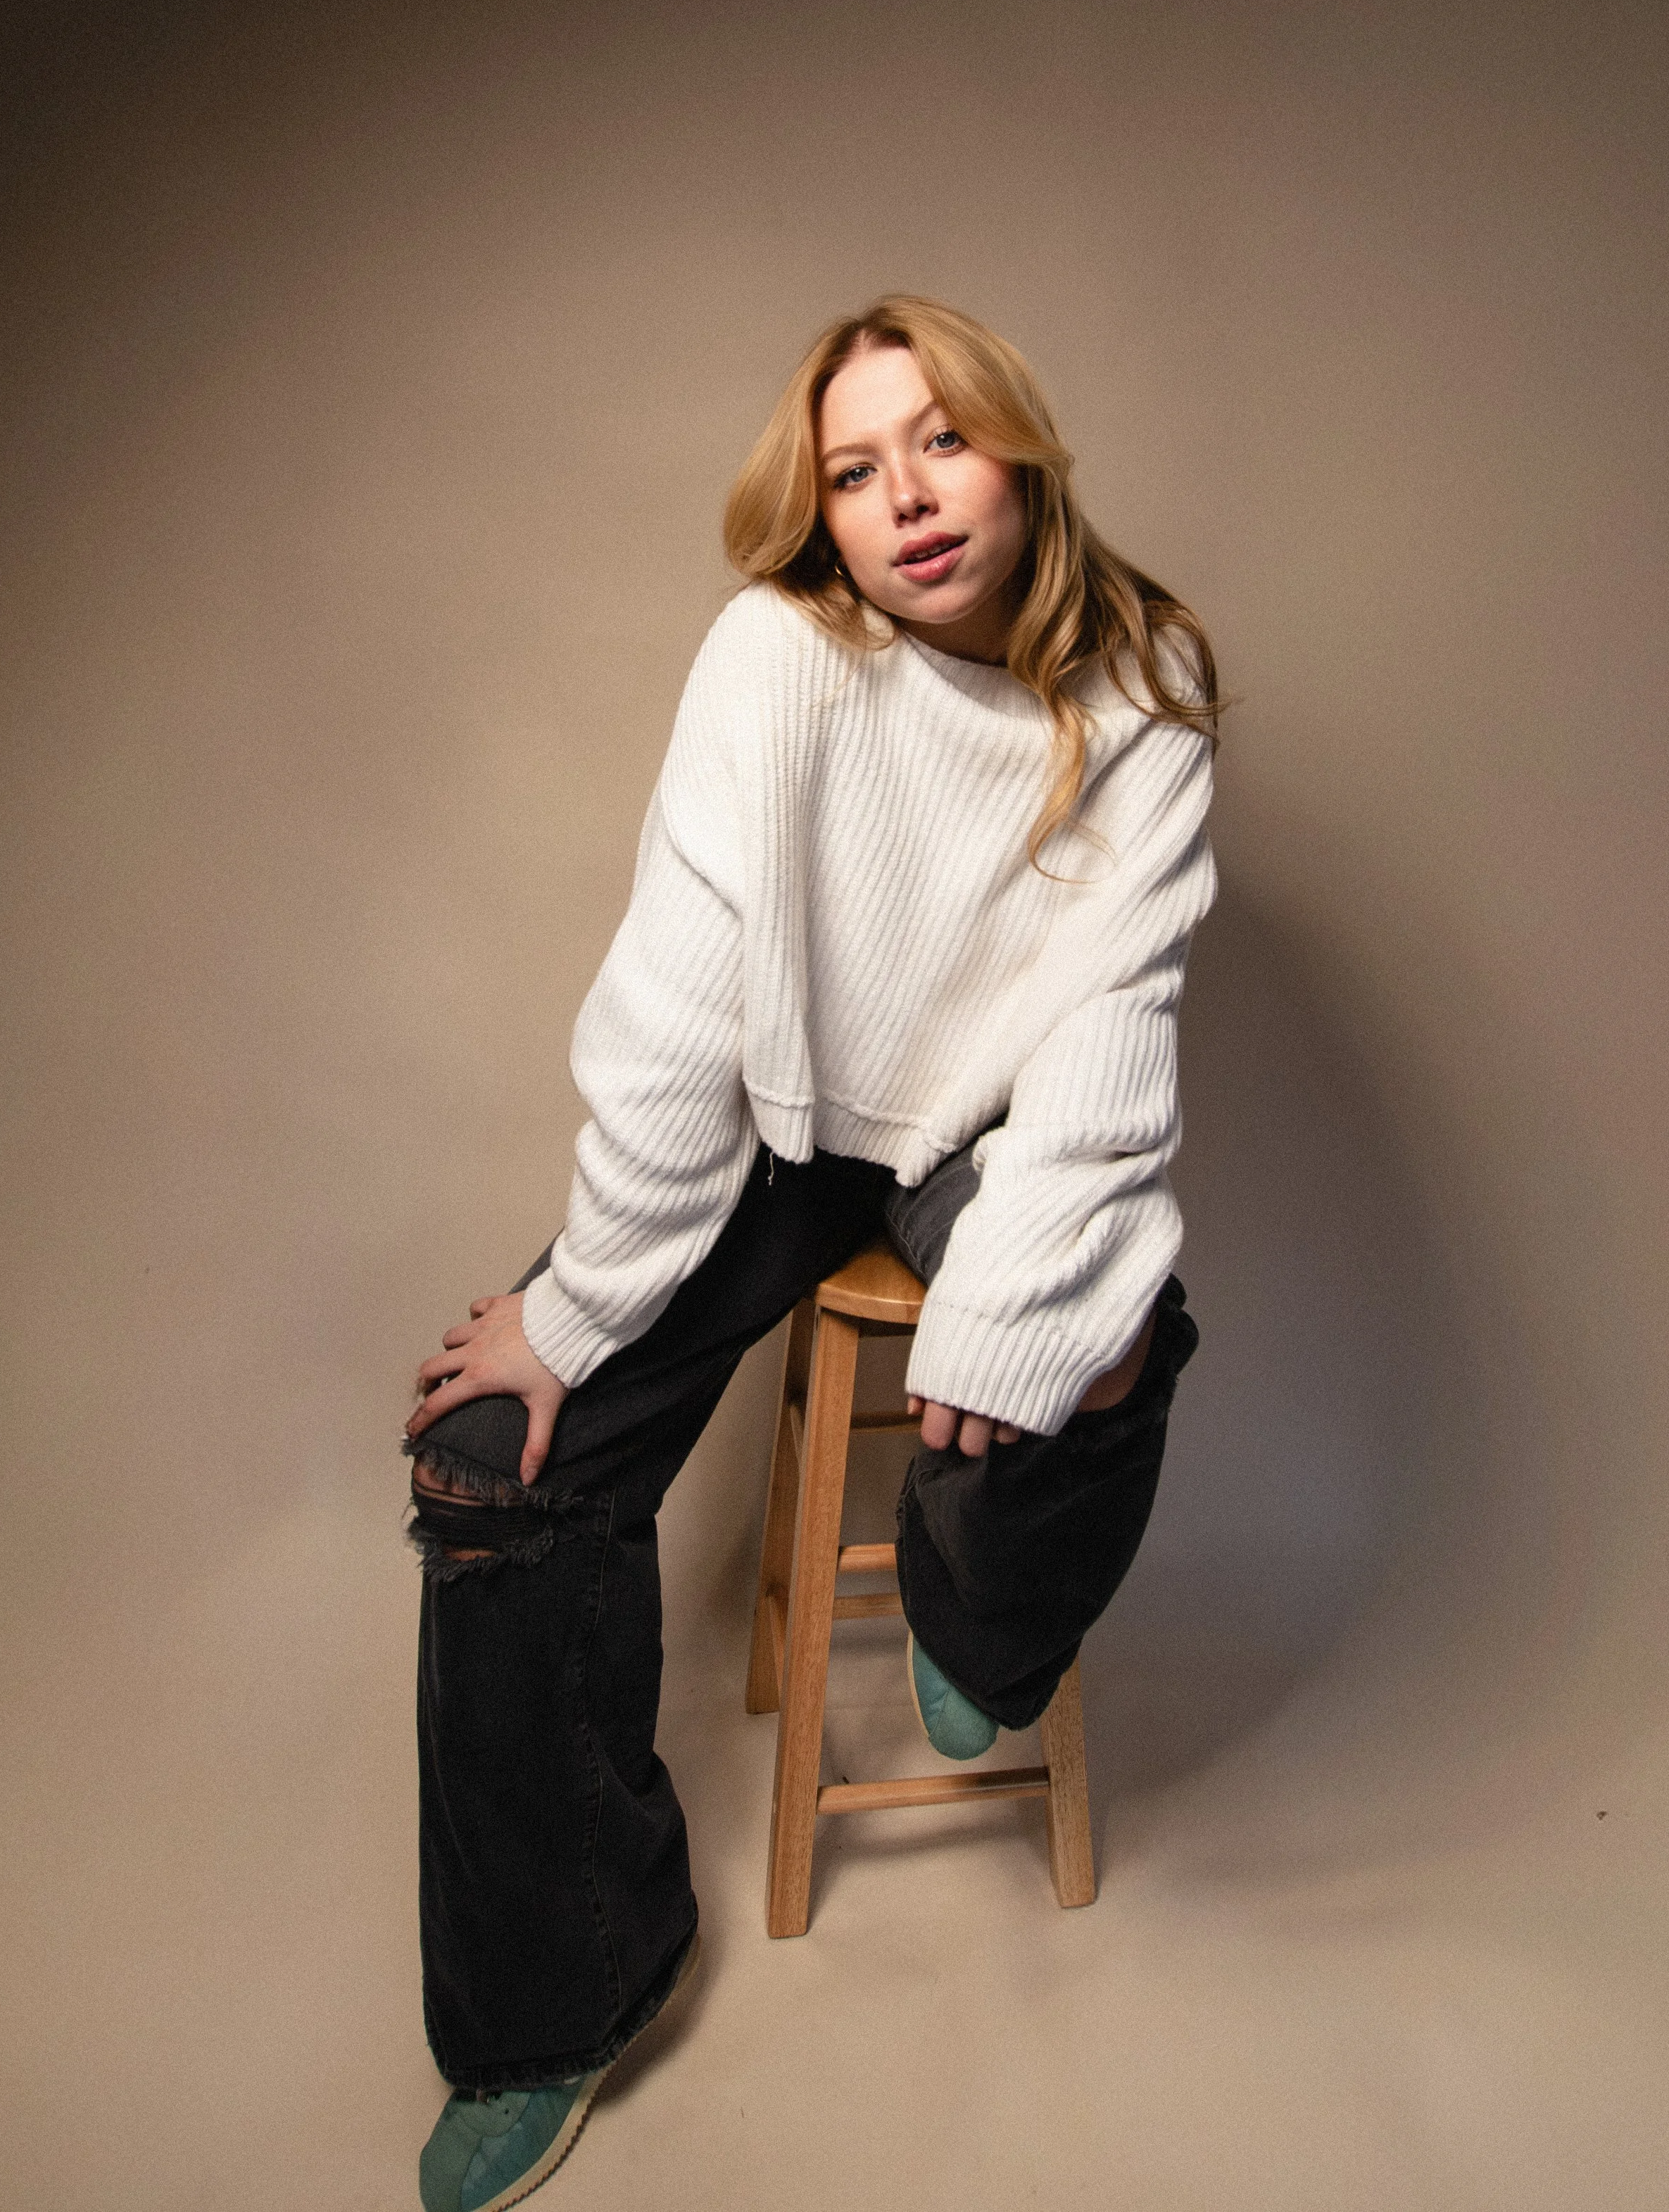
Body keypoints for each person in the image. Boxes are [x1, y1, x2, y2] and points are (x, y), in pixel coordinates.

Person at [403, 294, 1221, 2211]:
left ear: (1019, 449)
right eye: (853, 470)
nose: (903, 497)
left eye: (939, 440)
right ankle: (557, 1995)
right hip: (775, 1122)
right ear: (820, 512)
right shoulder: (777, 658)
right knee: (489, 1465)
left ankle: (978, 1621)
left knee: (1108, 1331)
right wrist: (579, 1303)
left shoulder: (1144, 681)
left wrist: (1012, 1321)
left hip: (993, 1123)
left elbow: (1111, 1030)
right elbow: (681, 1011)